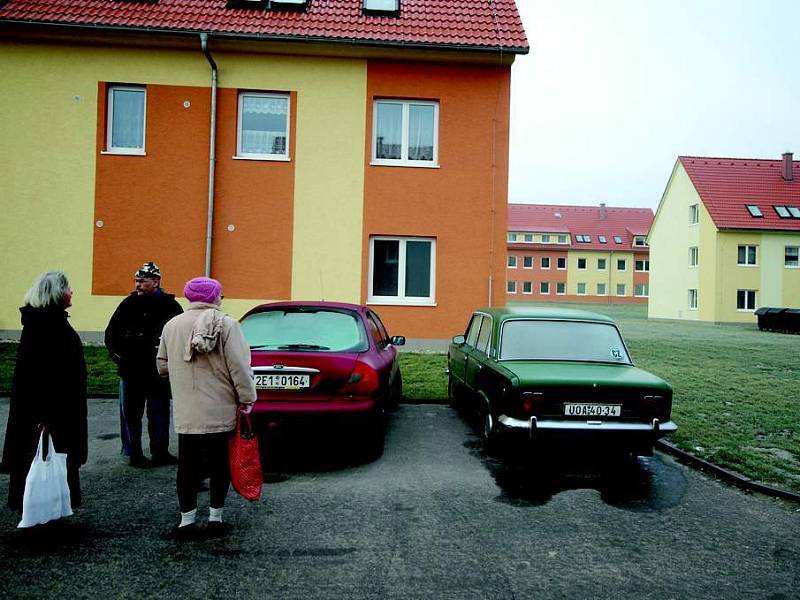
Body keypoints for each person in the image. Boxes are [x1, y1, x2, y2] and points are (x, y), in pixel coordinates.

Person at [157, 277, 256, 538]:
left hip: (187, 410)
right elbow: (240, 367)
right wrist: (247, 398)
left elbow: (162, 366)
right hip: (220, 408)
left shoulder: (172, 325)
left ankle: (186, 521)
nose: (222, 298)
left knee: (187, 466)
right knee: (219, 465)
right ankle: (215, 518)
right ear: (212, 297)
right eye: (220, 294)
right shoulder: (227, 325)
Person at [2, 271, 88, 512]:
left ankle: (50, 509)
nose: (72, 292)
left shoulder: (45, 321)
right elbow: (42, 374)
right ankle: (42, 511)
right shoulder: (47, 326)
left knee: (52, 461)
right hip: (51, 412)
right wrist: (46, 417)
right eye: (68, 288)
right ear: (57, 293)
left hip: (54, 410)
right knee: (46, 460)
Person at [104, 262, 183, 467]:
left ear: (156, 281)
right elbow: (111, 333)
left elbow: (178, 335)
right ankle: (134, 453)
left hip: (157, 370)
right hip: (132, 369)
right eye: (136, 281)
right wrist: (117, 355)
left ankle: (160, 451)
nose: (138, 285)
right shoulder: (128, 304)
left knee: (159, 412)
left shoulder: (170, 306)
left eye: (142, 281)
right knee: (131, 413)